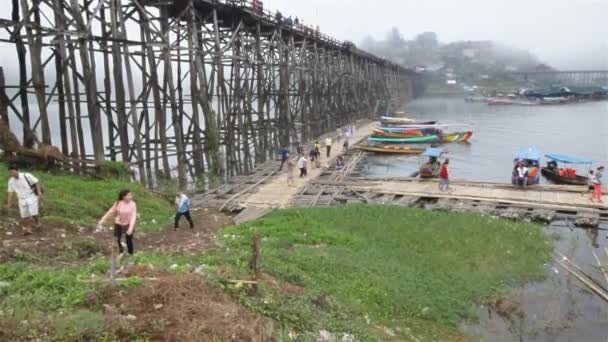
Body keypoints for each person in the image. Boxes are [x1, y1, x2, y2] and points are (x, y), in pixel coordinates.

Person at [99, 189, 138, 256]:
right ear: (123, 197)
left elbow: (133, 217)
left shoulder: (133, 204)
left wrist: (130, 228)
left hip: (128, 224)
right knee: (117, 239)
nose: (131, 197)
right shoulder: (118, 203)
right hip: (119, 223)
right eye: (128, 196)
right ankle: (121, 252)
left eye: (131, 195)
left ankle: (130, 254)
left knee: (128, 240)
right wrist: (102, 220)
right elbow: (110, 212)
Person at [6, 165, 42, 235]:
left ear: (17, 170)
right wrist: (9, 204)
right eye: (10, 173)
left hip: (31, 196)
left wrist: (39, 191)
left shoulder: (26, 175)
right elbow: (10, 193)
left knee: (33, 213)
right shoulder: (11, 181)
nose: (12, 174)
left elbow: (36, 181)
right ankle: (29, 228)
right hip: (21, 199)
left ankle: (35, 224)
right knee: (25, 215)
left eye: (13, 172)